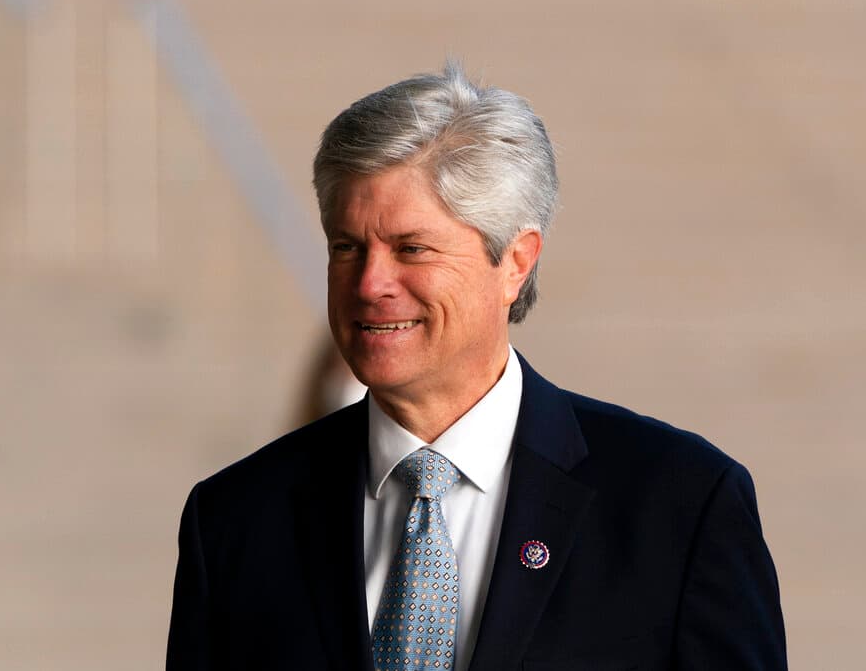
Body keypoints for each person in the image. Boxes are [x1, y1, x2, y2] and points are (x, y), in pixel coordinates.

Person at [167, 62, 787, 671]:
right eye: (346, 248)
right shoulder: (234, 520)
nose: (370, 283)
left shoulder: (679, 507)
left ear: (515, 262)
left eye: (412, 248)